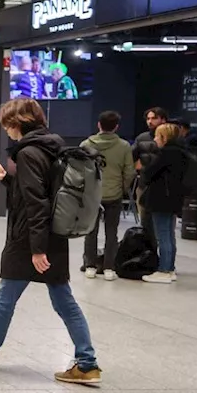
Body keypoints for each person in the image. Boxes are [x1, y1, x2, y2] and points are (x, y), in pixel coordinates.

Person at [0, 97, 101, 385]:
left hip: (30, 236)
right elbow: (40, 190)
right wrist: (6, 178)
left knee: (5, 296)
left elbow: (36, 201)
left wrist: (37, 248)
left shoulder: (28, 153)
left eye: (7, 123)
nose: (5, 129)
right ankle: (87, 362)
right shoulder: (51, 145)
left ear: (17, 123)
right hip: (53, 233)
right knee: (63, 300)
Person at [80, 110, 134, 280]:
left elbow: (79, 171)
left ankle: (90, 265)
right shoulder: (124, 146)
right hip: (114, 194)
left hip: (91, 194)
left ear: (98, 125)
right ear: (116, 127)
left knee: (90, 231)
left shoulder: (85, 145)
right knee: (112, 232)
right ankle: (109, 267)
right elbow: (130, 171)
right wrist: (123, 187)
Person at [140, 122, 190, 284]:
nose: (154, 139)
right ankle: (170, 267)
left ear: (164, 137)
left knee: (163, 235)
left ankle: (164, 270)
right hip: (173, 198)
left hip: (161, 198)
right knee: (169, 234)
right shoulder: (182, 153)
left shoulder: (165, 154)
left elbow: (148, 173)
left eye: (157, 135)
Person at [134, 106, 168, 246]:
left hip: (166, 187)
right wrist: (139, 166)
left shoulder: (171, 137)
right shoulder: (142, 138)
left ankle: (165, 262)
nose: (150, 121)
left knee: (164, 227)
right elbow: (132, 158)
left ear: (163, 119)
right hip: (144, 185)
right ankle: (147, 256)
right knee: (145, 222)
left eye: (154, 118)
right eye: (148, 118)